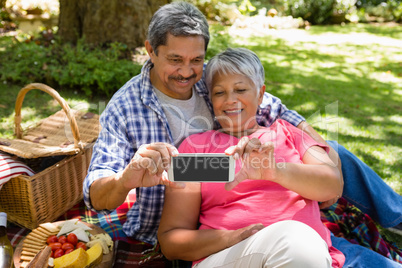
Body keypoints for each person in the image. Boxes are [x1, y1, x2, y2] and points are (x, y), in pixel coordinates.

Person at [83, 0, 401, 263]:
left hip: (263, 205)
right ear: (151, 50)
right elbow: (98, 193)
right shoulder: (128, 110)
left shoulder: (212, 77)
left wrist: (306, 146)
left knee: (328, 151)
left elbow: (272, 109)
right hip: (185, 199)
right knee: (294, 235)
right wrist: (126, 179)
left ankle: (396, 217)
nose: (186, 71)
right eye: (175, 60)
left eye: (195, 60)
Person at [158, 47, 401, 268]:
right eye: (220, 92)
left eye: (240, 89)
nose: (230, 100)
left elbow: (332, 185)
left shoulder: (288, 134)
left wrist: (275, 171)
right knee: (295, 242)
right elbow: (172, 239)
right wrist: (234, 237)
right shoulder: (197, 148)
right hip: (231, 256)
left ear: (261, 94)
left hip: (312, 255)